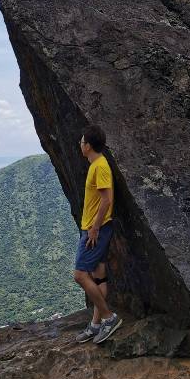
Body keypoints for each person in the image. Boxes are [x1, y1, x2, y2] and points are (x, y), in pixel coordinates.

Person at [73, 124, 122, 344]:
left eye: (82, 141)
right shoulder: (96, 165)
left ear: (89, 145)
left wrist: (94, 228)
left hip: (96, 230)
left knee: (80, 275)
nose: (80, 144)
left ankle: (108, 317)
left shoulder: (100, 166)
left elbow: (106, 199)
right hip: (95, 228)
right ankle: (96, 324)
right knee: (98, 274)